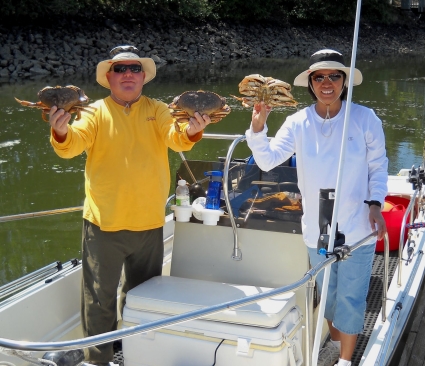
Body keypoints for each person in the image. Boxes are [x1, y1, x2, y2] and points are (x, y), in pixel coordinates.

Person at [48, 45, 211, 366]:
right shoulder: (93, 112)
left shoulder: (160, 109)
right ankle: (98, 359)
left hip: (149, 224)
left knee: (141, 298)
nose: (128, 74)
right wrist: (61, 129)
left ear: (144, 77)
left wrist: (193, 130)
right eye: (120, 69)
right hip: (103, 225)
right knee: (99, 301)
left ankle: (137, 353)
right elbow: (71, 145)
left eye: (134, 69)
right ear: (108, 76)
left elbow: (176, 137)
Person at [245, 49, 388, 366]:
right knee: (330, 297)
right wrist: (258, 128)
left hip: (357, 220)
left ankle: (346, 361)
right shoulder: (297, 122)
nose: (327, 83)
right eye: (319, 77)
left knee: (351, 298)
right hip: (318, 223)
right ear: (310, 83)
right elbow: (267, 160)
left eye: (334, 76)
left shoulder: (365, 118)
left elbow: (378, 167)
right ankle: (337, 341)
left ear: (344, 81)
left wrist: (376, 204)